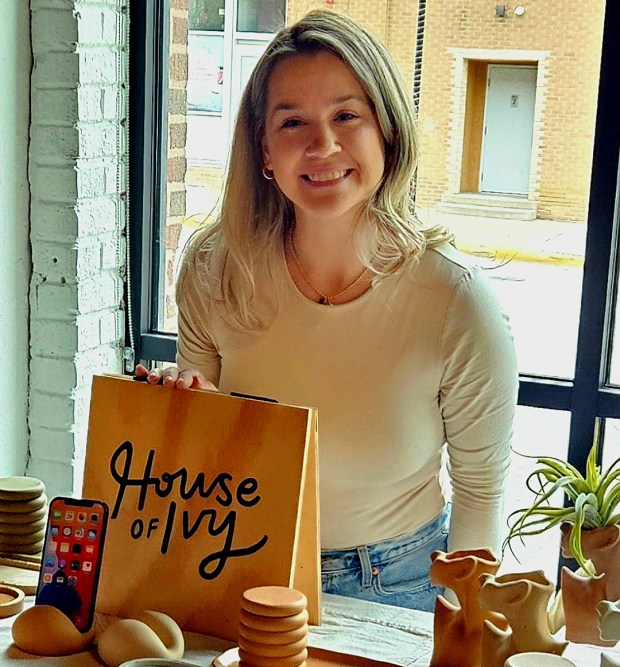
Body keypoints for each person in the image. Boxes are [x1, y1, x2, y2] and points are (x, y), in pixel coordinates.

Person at [136, 9, 518, 612]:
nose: (324, 145)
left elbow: (480, 493)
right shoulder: (215, 268)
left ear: (386, 133)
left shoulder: (457, 301)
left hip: (397, 585)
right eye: (293, 122)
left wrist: (465, 632)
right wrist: (179, 406)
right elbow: (199, 429)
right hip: (237, 565)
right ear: (263, 148)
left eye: (347, 115)